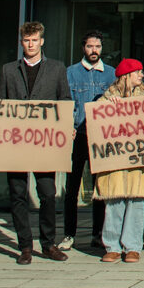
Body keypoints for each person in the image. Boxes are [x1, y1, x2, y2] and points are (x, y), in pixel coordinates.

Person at [0, 22, 71, 264]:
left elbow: (65, 101)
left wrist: (66, 127)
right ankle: (25, 246)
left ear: (42, 41)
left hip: (44, 143)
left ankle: (48, 243)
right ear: (21, 43)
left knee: (48, 194)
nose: (30, 44)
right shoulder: (9, 70)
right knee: (18, 194)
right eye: (26, 41)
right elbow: (1, 104)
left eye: (34, 40)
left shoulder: (56, 68)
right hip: (17, 143)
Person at [95, 59, 144, 263]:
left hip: (139, 161)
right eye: (138, 72)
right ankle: (112, 246)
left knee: (137, 203)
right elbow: (97, 122)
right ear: (126, 75)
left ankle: (133, 247)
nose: (142, 75)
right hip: (116, 162)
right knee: (114, 203)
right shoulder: (107, 99)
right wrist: (106, 106)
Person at [62, 30, 114, 251]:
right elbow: (65, 103)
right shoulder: (71, 73)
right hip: (78, 136)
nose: (94, 50)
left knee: (100, 187)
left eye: (98, 47)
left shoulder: (111, 73)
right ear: (83, 47)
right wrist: (68, 127)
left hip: (100, 138)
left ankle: (98, 233)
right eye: (90, 46)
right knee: (72, 187)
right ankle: (68, 234)